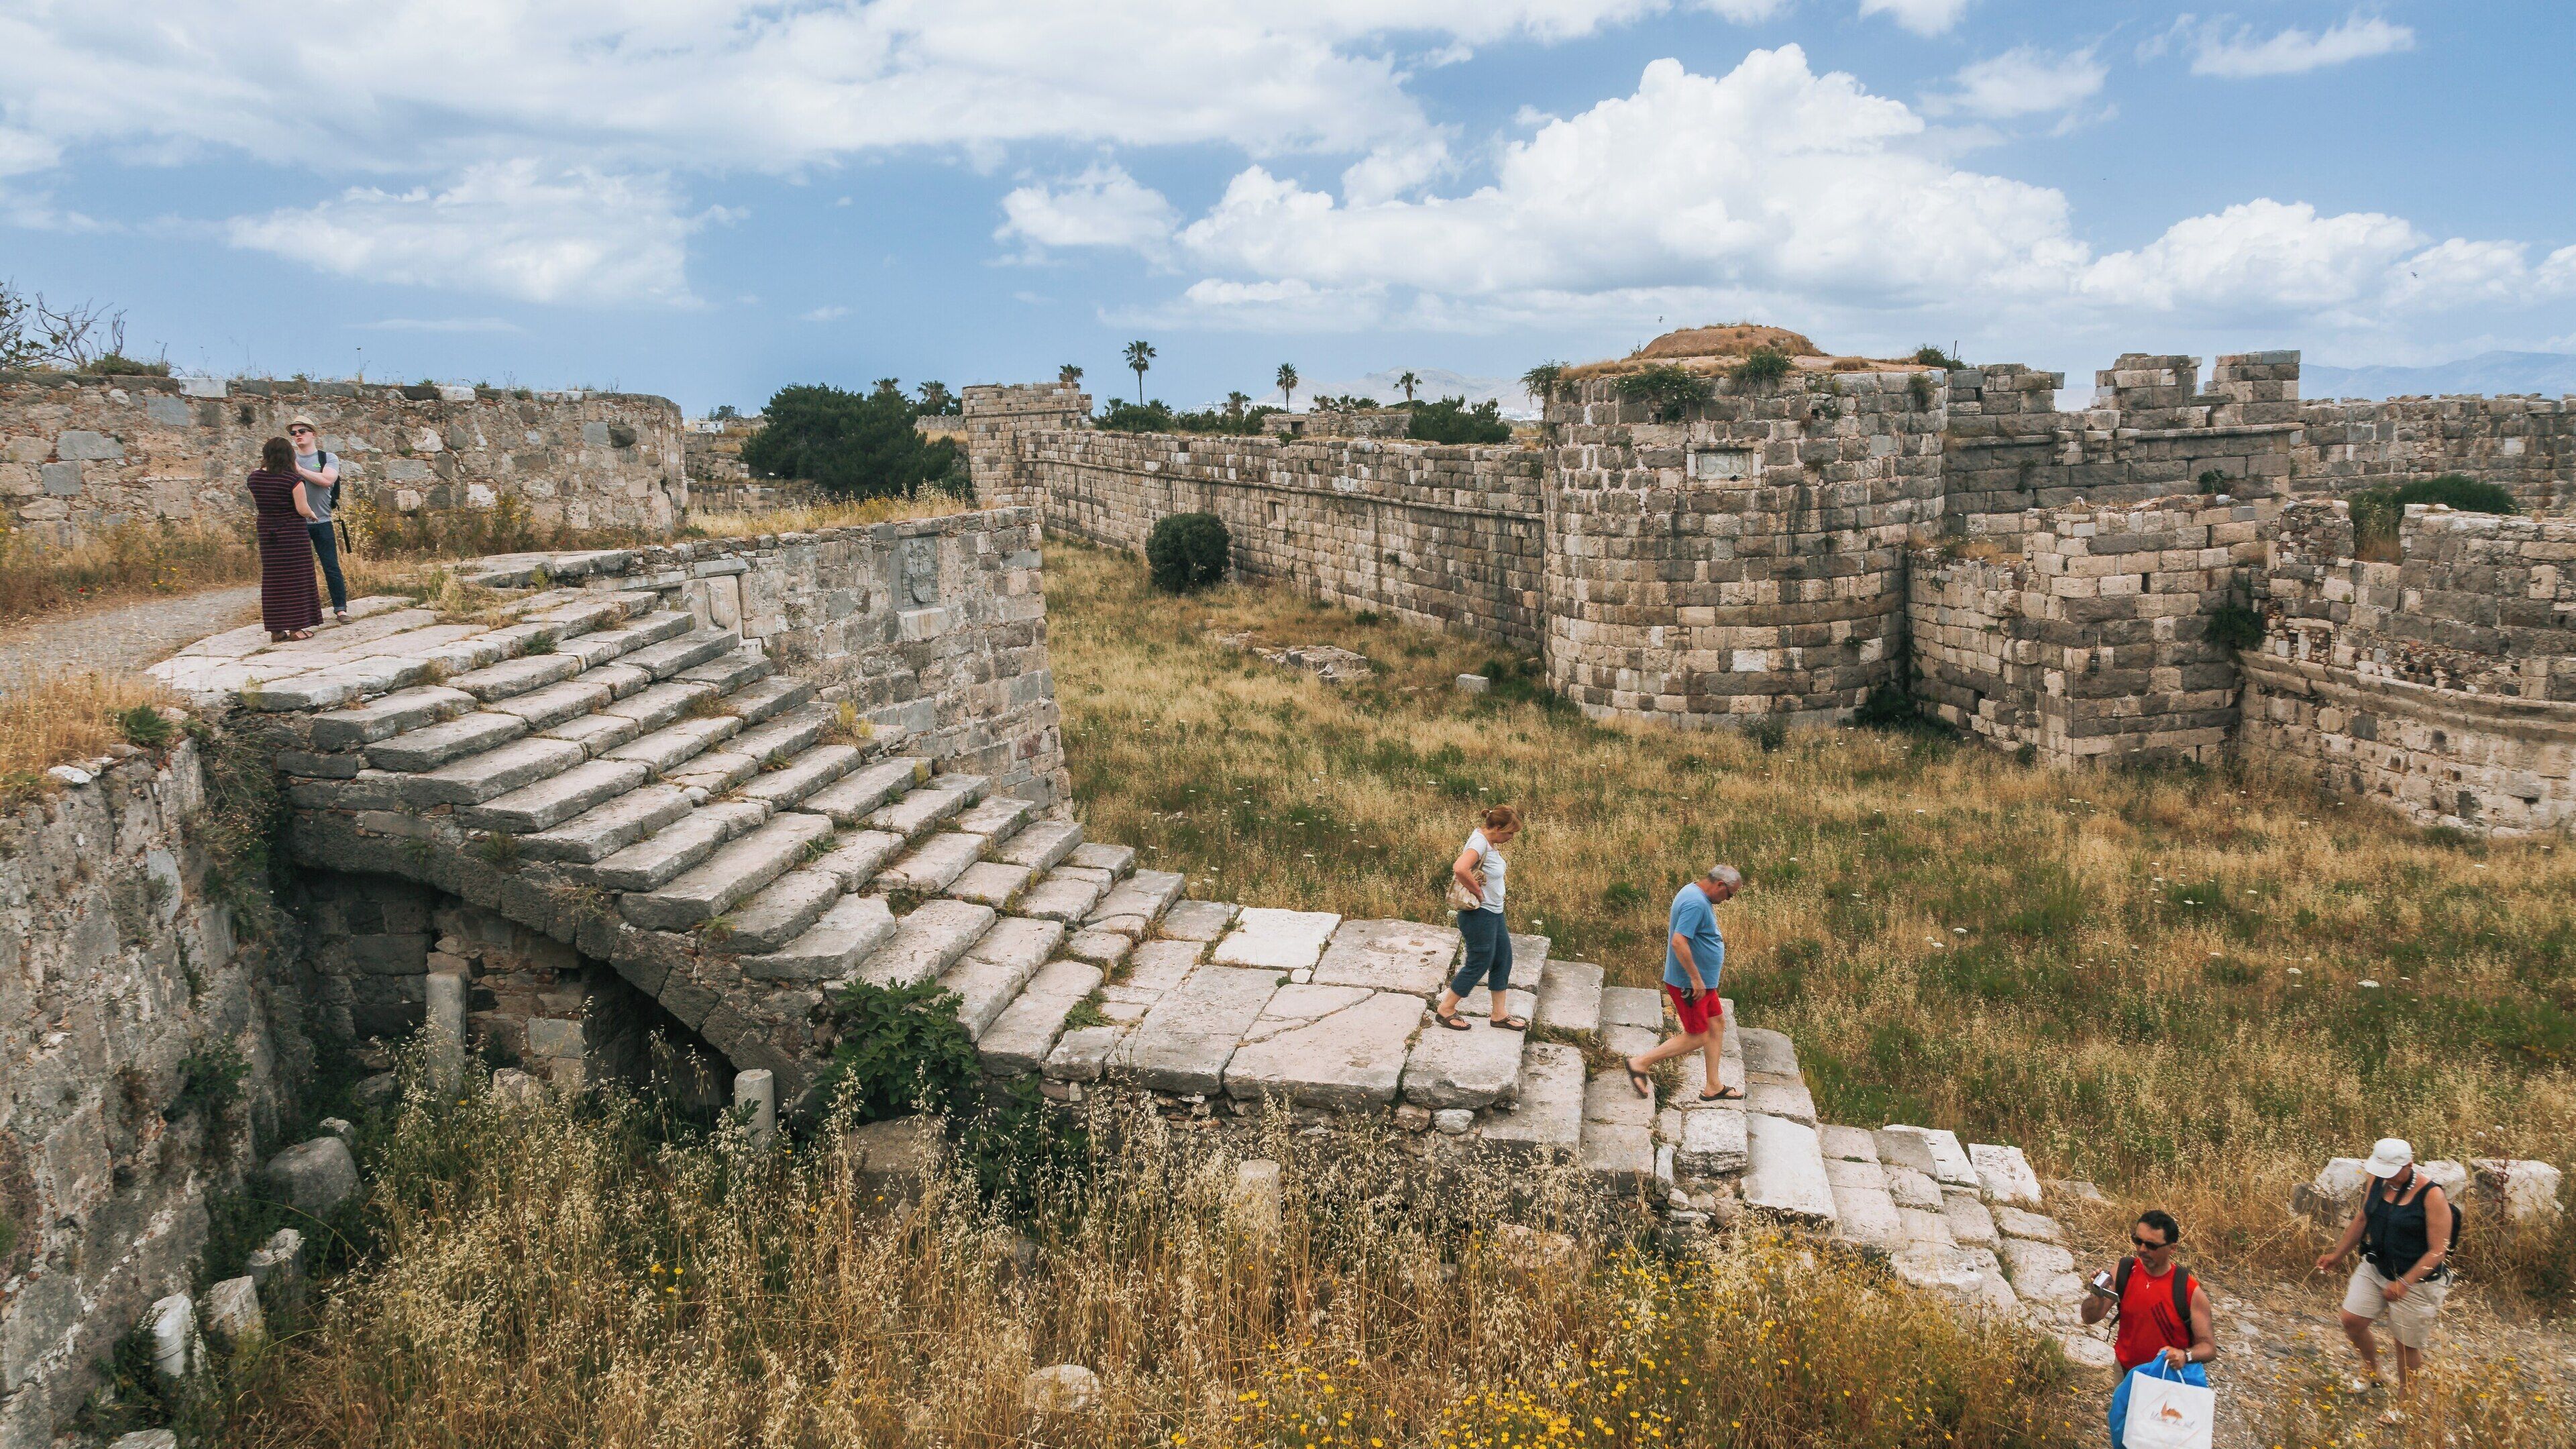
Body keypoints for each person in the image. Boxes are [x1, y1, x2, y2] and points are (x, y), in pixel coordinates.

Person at [2317, 1138, 2452, 1424]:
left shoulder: (2431, 1195)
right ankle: (2373, 1372)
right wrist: (2338, 1254)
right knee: (2351, 1319)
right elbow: (2363, 1218)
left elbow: (2439, 1249)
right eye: (2382, 1170)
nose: (2386, 1176)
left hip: (2418, 1281)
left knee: (2405, 1344)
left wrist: (2405, 1283)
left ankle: (2406, 1405)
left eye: (2392, 1171)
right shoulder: (2376, 1179)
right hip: (2377, 1266)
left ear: (2409, 1165)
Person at [2082, 1208, 2215, 1447]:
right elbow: (2089, 1317)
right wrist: (2097, 1294)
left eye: (2152, 1245)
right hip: (2125, 1373)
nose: (2142, 1249)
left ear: (2172, 1248)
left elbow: (2209, 1347)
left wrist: (2186, 1355)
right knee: (2126, 1437)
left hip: (2165, 1383)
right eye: (2138, 1241)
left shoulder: (2188, 1290)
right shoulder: (2124, 1271)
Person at [1624, 863, 1742, 1101]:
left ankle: (1713, 1085)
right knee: (1698, 1035)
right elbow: (1679, 942)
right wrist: (1696, 979)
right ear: (1720, 885)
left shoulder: (1694, 892)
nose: (1729, 900)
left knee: (1716, 1023)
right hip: (1690, 985)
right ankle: (1639, 1063)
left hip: (1702, 984)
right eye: (1730, 895)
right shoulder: (1696, 903)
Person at [1434, 804, 1523, 1031]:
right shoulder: (1480, 843)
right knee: (1479, 961)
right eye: (1509, 832)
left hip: (1495, 913)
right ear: (1496, 827)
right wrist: (1478, 891)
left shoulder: (1489, 842)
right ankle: (1446, 1009)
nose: (1512, 838)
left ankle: (1499, 1014)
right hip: (1479, 915)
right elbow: (1460, 868)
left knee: (1503, 959)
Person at [248, 436, 322, 642]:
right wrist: (312, 514)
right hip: (292, 534)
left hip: (267, 532)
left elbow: (260, 503)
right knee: (296, 579)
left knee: (274, 580)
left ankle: (276, 630)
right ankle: (297, 629)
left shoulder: (254, 478)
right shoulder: (293, 480)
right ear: (289, 455)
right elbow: (301, 508)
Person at [287, 416, 350, 624]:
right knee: (299, 570)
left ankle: (340, 609)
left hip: (322, 521)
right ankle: (303, 614)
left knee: (331, 566)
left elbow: (327, 480)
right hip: (297, 523)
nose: (297, 435)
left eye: (302, 431)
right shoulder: (288, 459)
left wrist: (300, 471)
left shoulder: (327, 458)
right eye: (293, 433)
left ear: (313, 434)